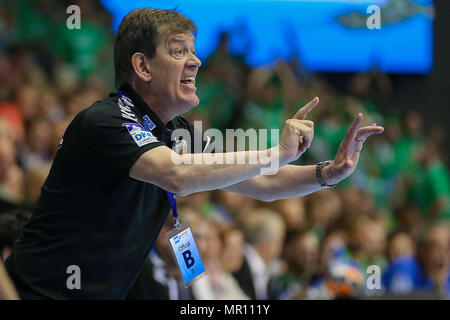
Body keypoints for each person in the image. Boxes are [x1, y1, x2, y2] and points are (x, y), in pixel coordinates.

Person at [4, 8, 383, 299]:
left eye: (194, 51)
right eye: (179, 51)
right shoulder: (105, 119)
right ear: (142, 66)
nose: (196, 61)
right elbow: (176, 174)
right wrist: (276, 151)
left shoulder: (180, 132)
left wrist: (326, 174)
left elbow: (265, 181)